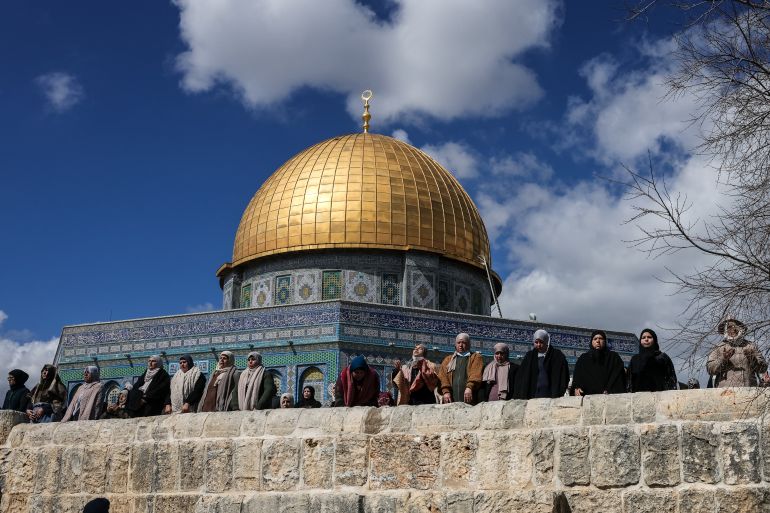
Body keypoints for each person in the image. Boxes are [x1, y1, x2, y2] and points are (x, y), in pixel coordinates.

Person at [706, 318, 768, 387]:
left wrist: (752, 359)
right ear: (725, 330)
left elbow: (763, 369)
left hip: (749, 392)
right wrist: (723, 359)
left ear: (740, 328)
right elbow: (710, 369)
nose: (732, 330)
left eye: (734, 327)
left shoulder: (751, 346)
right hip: (725, 393)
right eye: (729, 327)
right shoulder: (719, 347)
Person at [513, 329, 570, 399]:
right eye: (536, 342)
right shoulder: (529, 357)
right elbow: (521, 377)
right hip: (532, 395)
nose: (538, 345)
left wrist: (560, 391)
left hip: (551, 395)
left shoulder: (556, 356)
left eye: (541, 342)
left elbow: (564, 375)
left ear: (546, 342)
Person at [571, 330, 626, 396]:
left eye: (601, 338)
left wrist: (609, 390)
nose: (598, 341)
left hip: (610, 397)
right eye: (595, 339)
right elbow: (577, 378)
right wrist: (577, 387)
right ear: (591, 342)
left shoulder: (614, 358)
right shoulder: (583, 359)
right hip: (588, 399)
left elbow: (618, 377)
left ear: (605, 341)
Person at [438, 333, 484, 404]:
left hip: (470, 397)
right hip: (451, 398)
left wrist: (469, 387)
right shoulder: (448, 360)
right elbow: (443, 377)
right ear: (455, 344)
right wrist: (446, 391)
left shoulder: (475, 357)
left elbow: (476, 374)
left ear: (469, 344)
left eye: (464, 343)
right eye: (458, 342)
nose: (460, 345)